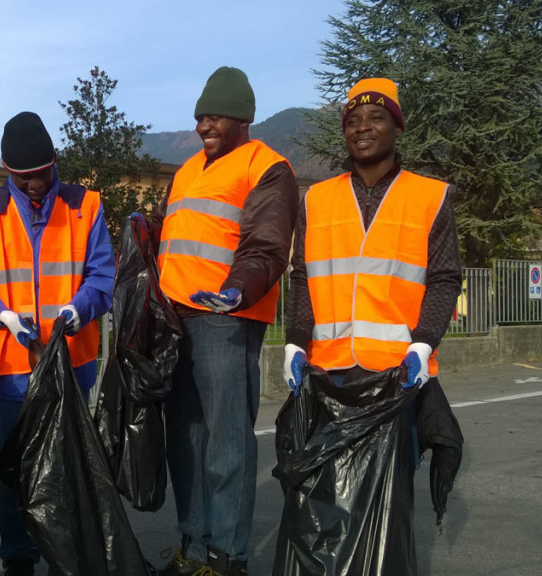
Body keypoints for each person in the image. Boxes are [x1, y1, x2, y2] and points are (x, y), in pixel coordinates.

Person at [0, 111, 115, 576]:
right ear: (8, 171)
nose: (35, 184)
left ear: (54, 163)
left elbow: (103, 275)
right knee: (18, 469)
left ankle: (68, 553)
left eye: (42, 174)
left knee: (68, 466)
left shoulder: (85, 206)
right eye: (24, 177)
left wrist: (76, 311)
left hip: (71, 364)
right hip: (14, 370)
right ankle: (18, 557)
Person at [153, 66, 298, 576]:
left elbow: (266, 243)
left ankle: (226, 558)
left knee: (226, 443)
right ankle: (193, 549)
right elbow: (181, 237)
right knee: (185, 439)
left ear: (242, 118)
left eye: (213, 116)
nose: (202, 126)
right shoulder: (187, 170)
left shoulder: (267, 166)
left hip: (225, 320)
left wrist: (235, 291)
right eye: (199, 117)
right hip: (175, 321)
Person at [283, 77, 461, 415]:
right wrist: (294, 343)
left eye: (376, 118)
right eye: (352, 121)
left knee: (393, 468)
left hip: (399, 370)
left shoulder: (430, 198)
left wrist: (423, 345)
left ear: (397, 127)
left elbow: (444, 279)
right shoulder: (316, 200)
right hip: (327, 372)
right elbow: (302, 277)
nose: (362, 128)